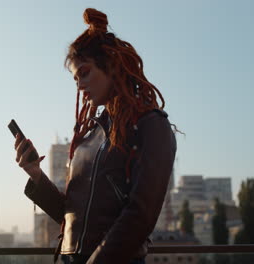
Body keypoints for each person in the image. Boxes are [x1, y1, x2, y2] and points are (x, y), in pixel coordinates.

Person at [13, 8, 179, 264]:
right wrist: (35, 174)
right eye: (75, 78)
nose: (79, 85)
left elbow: (140, 216)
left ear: (112, 66)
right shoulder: (88, 137)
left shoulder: (151, 125)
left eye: (85, 72)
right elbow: (72, 215)